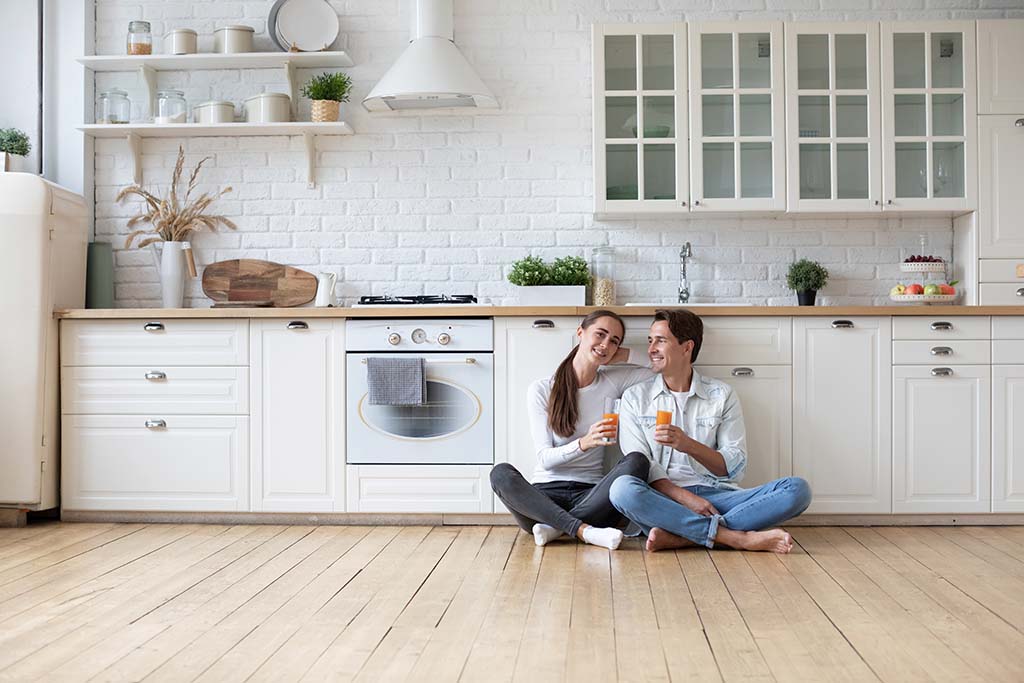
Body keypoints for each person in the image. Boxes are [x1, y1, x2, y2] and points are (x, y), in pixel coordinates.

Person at [609, 309, 812, 554]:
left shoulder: (721, 395)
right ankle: (735, 538)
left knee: (797, 490)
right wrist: (685, 498)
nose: (651, 348)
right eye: (650, 340)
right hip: (662, 499)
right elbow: (637, 464)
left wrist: (688, 445)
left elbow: (734, 468)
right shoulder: (635, 398)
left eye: (660, 341)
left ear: (687, 347)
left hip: (716, 496)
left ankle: (682, 535)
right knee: (621, 489)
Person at [490, 310, 655, 550]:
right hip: (542, 500)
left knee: (638, 461)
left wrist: (617, 355)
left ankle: (556, 528)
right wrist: (584, 443)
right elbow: (545, 460)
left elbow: (658, 368)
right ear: (581, 332)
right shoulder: (542, 389)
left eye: (614, 340)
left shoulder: (613, 380)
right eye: (600, 334)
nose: (606, 343)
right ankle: (583, 531)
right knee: (500, 474)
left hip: (591, 496)